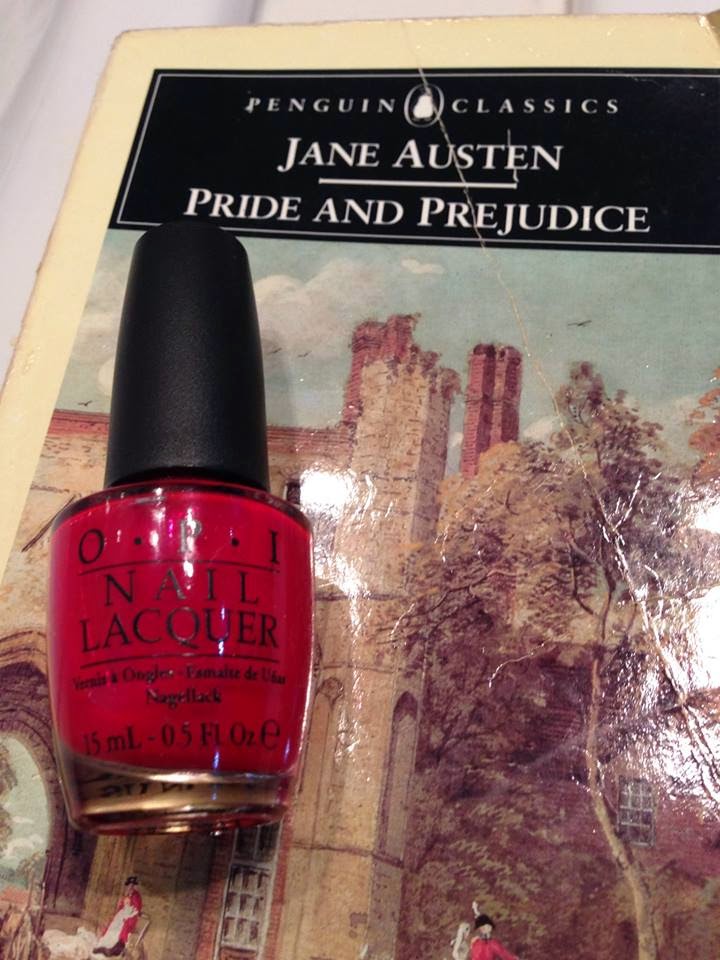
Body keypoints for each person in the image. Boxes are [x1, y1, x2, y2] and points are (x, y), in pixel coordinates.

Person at [92, 877, 142, 957]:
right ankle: (103, 946)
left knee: (116, 931)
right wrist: (119, 913)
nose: (130, 887)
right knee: (111, 927)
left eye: (132, 885)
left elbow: (135, 910)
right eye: (129, 885)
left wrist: (126, 913)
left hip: (129, 919)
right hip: (121, 916)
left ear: (135, 886)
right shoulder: (128, 894)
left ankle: (110, 949)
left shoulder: (136, 896)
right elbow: (121, 907)